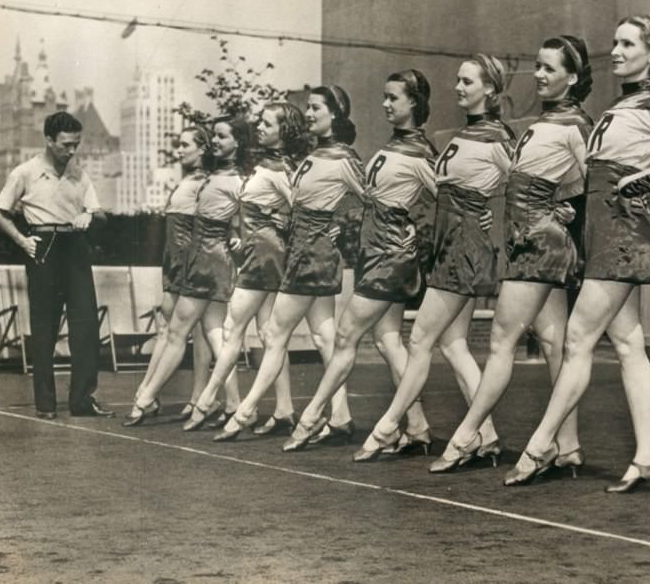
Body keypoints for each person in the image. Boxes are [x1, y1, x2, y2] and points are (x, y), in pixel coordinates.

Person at [504, 15, 650, 491]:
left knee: (576, 341)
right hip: (602, 233)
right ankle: (648, 456)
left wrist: (637, 182)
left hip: (621, 236)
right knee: (630, 345)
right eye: (614, 41)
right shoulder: (622, 104)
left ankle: (540, 446)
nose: (615, 50)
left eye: (627, 43)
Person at [429, 36, 593, 474]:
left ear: (572, 78)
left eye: (549, 69)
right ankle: (569, 445)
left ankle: (467, 437)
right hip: (527, 242)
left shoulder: (576, 124)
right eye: (536, 66)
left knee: (502, 341)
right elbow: (552, 183)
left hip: (538, 245)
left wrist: (561, 214)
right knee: (555, 343)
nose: (538, 75)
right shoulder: (545, 123)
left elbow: (593, 183)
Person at [353, 54, 514, 462]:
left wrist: (503, 211)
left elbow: (525, 180)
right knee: (453, 343)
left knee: (421, 339)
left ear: (490, 89)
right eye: (458, 81)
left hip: (464, 247)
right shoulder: (467, 134)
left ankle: (387, 427)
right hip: (449, 244)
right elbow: (441, 189)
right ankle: (485, 434)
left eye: (468, 82)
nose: (458, 88)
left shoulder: (497, 136)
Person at [283, 70, 435, 452]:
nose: (384, 104)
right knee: (387, 342)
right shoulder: (394, 145)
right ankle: (417, 427)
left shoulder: (420, 151)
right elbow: (368, 197)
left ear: (413, 103)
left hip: (390, 257)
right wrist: (341, 223)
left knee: (347, 336)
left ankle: (310, 419)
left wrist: (419, 229)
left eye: (392, 98)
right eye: (384, 97)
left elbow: (446, 197)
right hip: (375, 253)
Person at [211, 85, 364, 442]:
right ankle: (340, 416)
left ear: (335, 114)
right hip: (303, 252)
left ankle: (244, 412)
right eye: (307, 108)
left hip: (313, 256)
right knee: (324, 336)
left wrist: (339, 222)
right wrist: (285, 216)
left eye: (315, 108)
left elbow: (369, 197)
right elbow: (301, 200)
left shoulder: (342, 156)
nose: (308, 114)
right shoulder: (314, 155)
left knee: (278, 334)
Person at [182, 102, 311, 434]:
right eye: (261, 121)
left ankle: (210, 402)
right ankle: (282, 409)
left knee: (232, 329)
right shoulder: (267, 164)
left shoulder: (281, 168)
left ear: (285, 130)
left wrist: (275, 222)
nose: (261, 127)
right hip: (258, 252)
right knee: (268, 334)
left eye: (268, 123)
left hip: (265, 257)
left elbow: (303, 209)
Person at [124, 117, 252, 425]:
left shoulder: (222, 180)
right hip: (197, 260)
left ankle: (147, 397)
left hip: (201, 262)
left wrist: (238, 236)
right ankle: (228, 403)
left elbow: (240, 217)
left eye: (186, 144)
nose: (179, 150)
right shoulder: (207, 179)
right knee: (211, 334)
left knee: (182, 331)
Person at [0, 111, 113, 419]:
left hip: (75, 248)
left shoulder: (79, 174)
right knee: (44, 328)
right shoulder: (25, 172)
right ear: (48, 140)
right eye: (66, 145)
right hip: (43, 249)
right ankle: (45, 403)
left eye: (76, 144)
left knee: (85, 326)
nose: (72, 151)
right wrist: (22, 241)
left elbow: (99, 215)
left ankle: (82, 400)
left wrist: (90, 216)